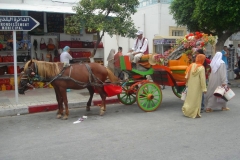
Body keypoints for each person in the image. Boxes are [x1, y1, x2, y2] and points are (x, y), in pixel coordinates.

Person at [182, 54, 207, 118]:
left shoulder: (191, 65)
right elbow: (202, 79)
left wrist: (187, 84)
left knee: (189, 99)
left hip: (190, 85)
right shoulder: (201, 68)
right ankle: (194, 113)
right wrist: (204, 89)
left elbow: (187, 75)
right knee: (196, 100)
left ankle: (187, 111)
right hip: (197, 86)